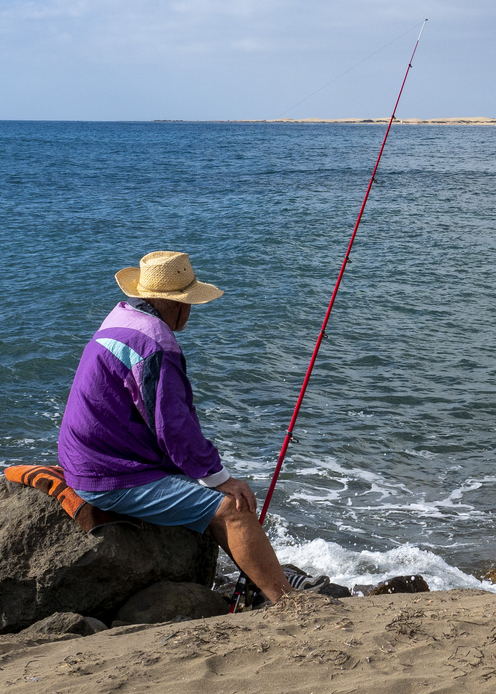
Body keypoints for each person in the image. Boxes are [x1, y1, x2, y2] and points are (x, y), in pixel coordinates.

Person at [57, 250, 324, 602]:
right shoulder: (156, 345)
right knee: (232, 507)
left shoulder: (120, 318)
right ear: (179, 304)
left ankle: (262, 575)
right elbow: (174, 428)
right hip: (108, 472)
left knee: (213, 490)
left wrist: (207, 473)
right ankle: (285, 599)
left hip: (88, 454)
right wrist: (220, 478)